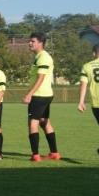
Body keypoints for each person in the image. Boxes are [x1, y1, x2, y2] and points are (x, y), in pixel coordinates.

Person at [23, 32, 60, 162]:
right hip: (45, 94)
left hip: (39, 95)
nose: (30, 43)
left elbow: (41, 78)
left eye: (33, 41)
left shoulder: (43, 57)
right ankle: (54, 153)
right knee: (44, 122)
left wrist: (29, 94)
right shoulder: (39, 57)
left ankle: (35, 155)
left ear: (41, 43)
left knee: (33, 123)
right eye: (30, 41)